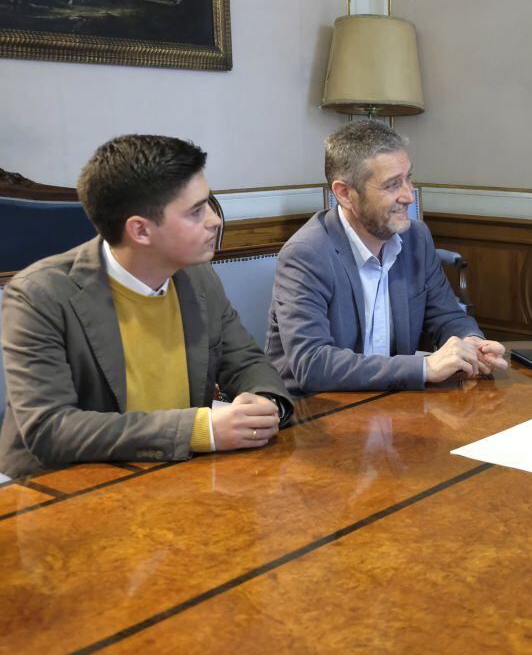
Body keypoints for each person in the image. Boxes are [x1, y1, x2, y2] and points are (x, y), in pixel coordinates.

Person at [0, 135, 292, 478]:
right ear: (140, 230)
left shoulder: (199, 277)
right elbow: (51, 429)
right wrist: (200, 429)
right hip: (65, 490)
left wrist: (263, 401)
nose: (215, 220)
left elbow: (247, 361)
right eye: (196, 212)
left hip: (174, 476)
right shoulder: (39, 296)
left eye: (209, 204)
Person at [266, 120, 506, 394]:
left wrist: (472, 343)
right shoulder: (306, 254)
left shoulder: (416, 238)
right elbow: (313, 364)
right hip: (316, 413)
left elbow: (447, 315)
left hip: (389, 403)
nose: (409, 196)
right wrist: (425, 368)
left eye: (408, 178)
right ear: (344, 193)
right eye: (392, 185)